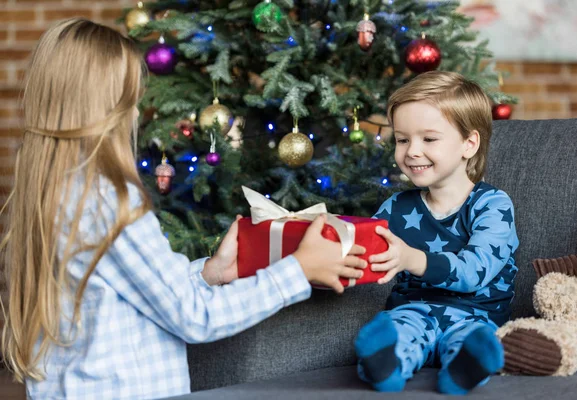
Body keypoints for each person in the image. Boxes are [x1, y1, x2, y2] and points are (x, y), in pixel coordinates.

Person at [0, 19, 367, 400]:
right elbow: (195, 317)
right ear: (113, 106)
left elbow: (128, 291)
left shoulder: (55, 191)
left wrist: (207, 273)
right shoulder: (108, 199)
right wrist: (297, 271)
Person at [354, 71, 519, 395]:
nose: (412, 151)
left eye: (428, 139)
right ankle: (386, 366)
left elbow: (474, 271)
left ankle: (466, 367)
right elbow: (366, 251)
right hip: (412, 311)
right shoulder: (396, 206)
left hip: (477, 316)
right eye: (402, 139)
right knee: (400, 329)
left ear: (469, 144)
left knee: (469, 338)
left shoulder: (492, 205)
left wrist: (411, 258)